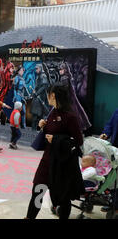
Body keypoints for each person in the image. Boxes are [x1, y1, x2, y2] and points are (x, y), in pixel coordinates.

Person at [26, 84, 84, 219]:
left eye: (48, 94)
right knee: (38, 191)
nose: (47, 97)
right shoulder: (52, 112)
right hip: (47, 160)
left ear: (53, 95)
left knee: (62, 198)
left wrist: (57, 139)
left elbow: (78, 141)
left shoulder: (70, 117)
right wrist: (43, 127)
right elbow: (50, 134)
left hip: (61, 165)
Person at [30, 64, 49, 131]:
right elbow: (37, 86)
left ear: (40, 68)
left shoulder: (43, 76)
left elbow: (44, 86)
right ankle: (34, 129)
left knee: (38, 115)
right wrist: (33, 93)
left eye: (37, 68)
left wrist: (37, 93)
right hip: (37, 98)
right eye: (35, 69)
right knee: (35, 115)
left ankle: (37, 130)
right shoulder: (39, 76)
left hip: (40, 98)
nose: (36, 70)